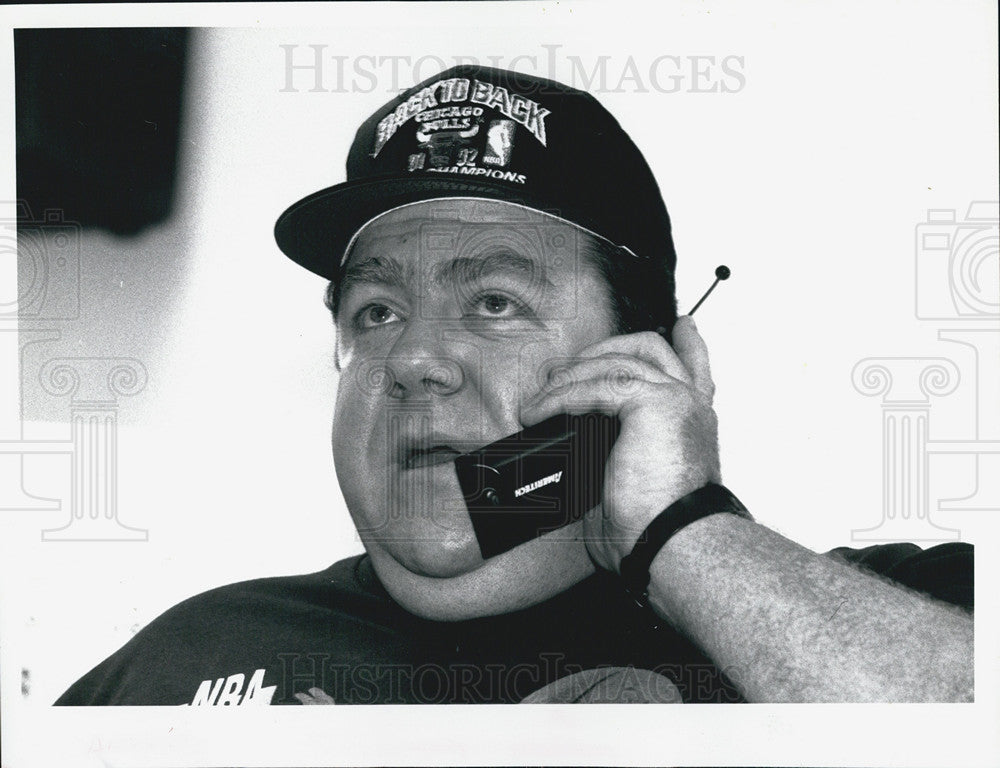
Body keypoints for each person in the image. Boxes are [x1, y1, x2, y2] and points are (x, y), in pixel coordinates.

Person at [56, 65, 973, 706]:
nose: (415, 359)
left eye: (494, 302)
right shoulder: (182, 665)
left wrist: (684, 537)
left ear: (667, 366)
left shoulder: (911, 615)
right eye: (374, 312)